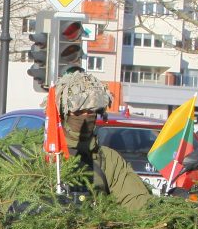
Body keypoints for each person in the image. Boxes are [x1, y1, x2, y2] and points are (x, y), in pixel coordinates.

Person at [54, 70, 150, 210]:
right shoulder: (47, 156)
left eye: (91, 111)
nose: (86, 116)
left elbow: (135, 201)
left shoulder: (108, 159)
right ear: (63, 113)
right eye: (79, 112)